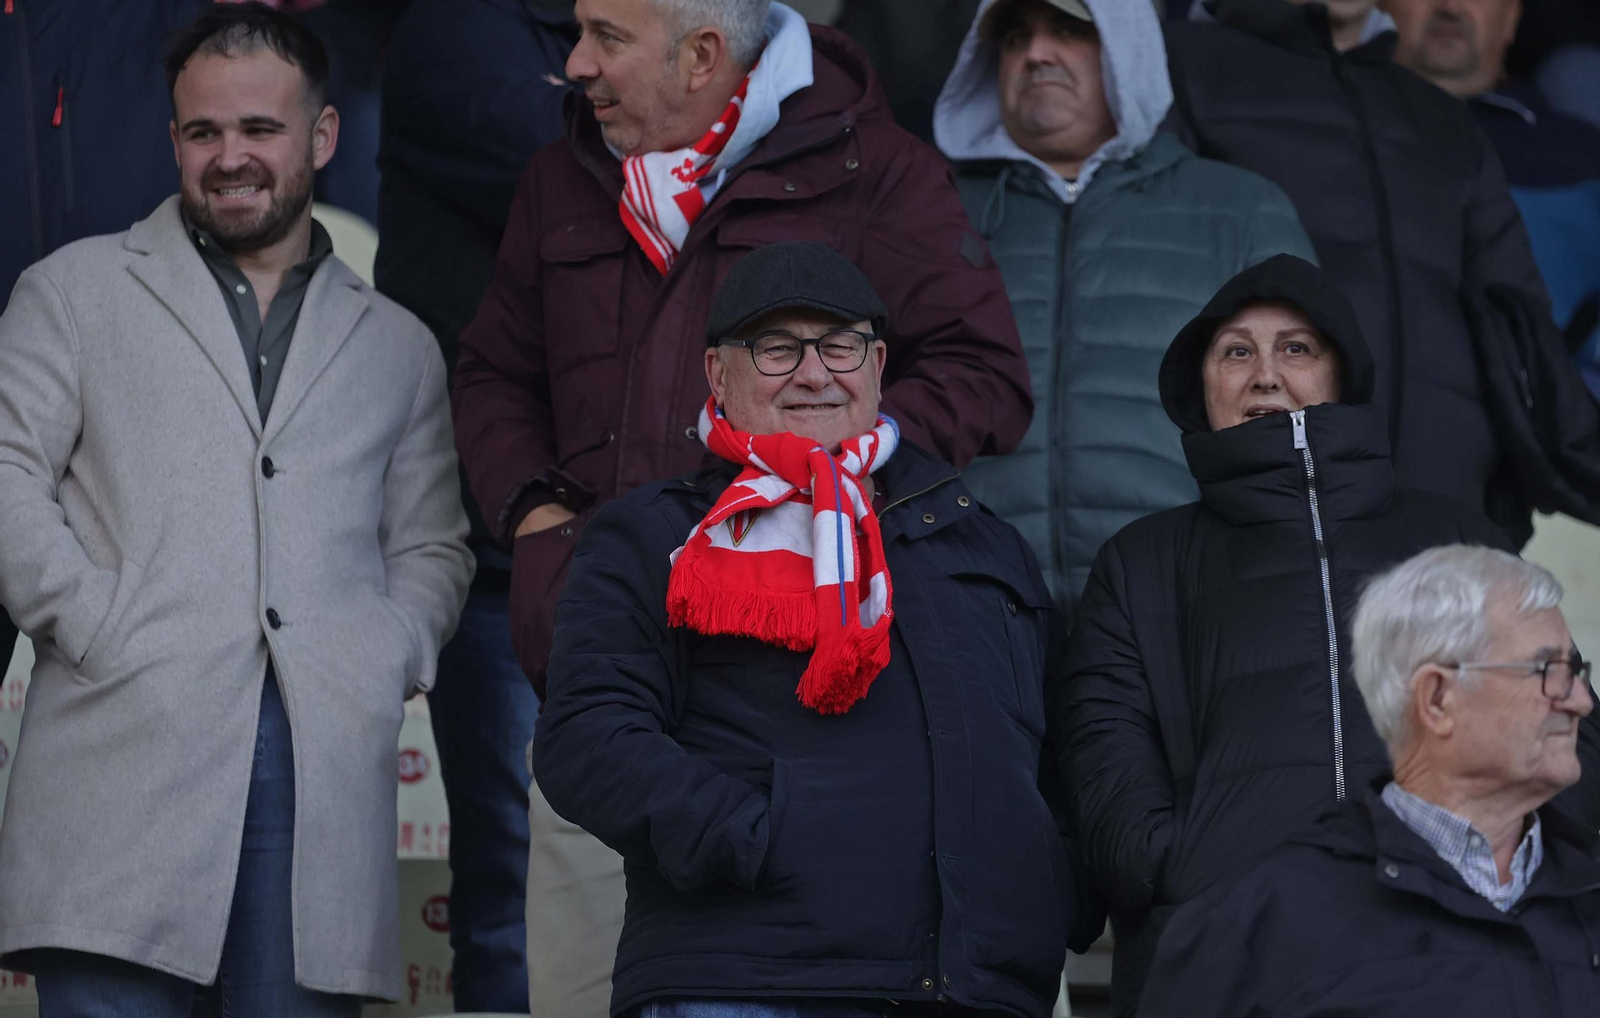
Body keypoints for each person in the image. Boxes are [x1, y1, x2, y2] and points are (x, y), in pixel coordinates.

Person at [0, 5, 473, 1012]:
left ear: (323, 135)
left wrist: (386, 649)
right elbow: (4, 476)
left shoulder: (397, 345)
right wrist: (94, 621)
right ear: (173, 139)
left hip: (319, 787)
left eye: (260, 128)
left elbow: (434, 545)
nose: (230, 158)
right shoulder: (70, 292)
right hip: (117, 768)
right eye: (203, 131)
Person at [533, 241, 1089, 1018]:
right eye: (777, 348)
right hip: (745, 981)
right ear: (717, 374)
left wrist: (1048, 885)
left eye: (839, 346)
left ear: (878, 364)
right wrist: (756, 838)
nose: (815, 373)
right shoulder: (656, 533)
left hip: (974, 990)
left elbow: (1059, 758)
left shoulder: (983, 541)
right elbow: (587, 738)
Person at [1055, 254, 1600, 1017]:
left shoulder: (1454, 534)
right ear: (1200, 386)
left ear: (1341, 375)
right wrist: (1184, 870)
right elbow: (1102, 764)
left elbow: (1565, 713)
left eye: (1297, 348)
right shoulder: (1142, 560)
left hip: (1465, 945)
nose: (1265, 375)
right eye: (1236, 351)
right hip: (1228, 957)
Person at [452, 0, 1033, 703]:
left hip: (796, 676)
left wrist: (832, 476)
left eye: (607, 36)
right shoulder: (559, 175)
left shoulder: (878, 170)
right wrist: (539, 518)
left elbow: (982, 371)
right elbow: (494, 375)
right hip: (591, 650)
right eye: (581, 29)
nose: (575, 63)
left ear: (701, 56)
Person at [1164, 0, 1600, 545]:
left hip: (1449, 522)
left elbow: (1522, 332)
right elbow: (1143, 304)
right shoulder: (1184, 65)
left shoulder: (1445, 118)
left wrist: (1502, 505)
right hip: (1261, 521)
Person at [934, 0, 1315, 602]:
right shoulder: (927, 213)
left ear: (1127, 44)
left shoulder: (1240, 209)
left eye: (1069, 29)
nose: (1036, 54)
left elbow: (1304, 434)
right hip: (966, 600)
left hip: (1183, 600)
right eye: (1014, 38)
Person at [1140, 545, 1600, 1018]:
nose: (1582, 702)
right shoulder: (1254, 931)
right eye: (1548, 671)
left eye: (1576, 672)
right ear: (1438, 698)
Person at [374, 0, 576, 1009]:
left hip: (652, 530)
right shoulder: (455, 24)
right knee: (514, 882)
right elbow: (585, 162)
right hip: (507, 543)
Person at [1388, 0, 1600, 396]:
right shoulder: (1325, 129)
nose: (1450, 7)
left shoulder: (1581, 157)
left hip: (1545, 413)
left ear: (1512, 17)